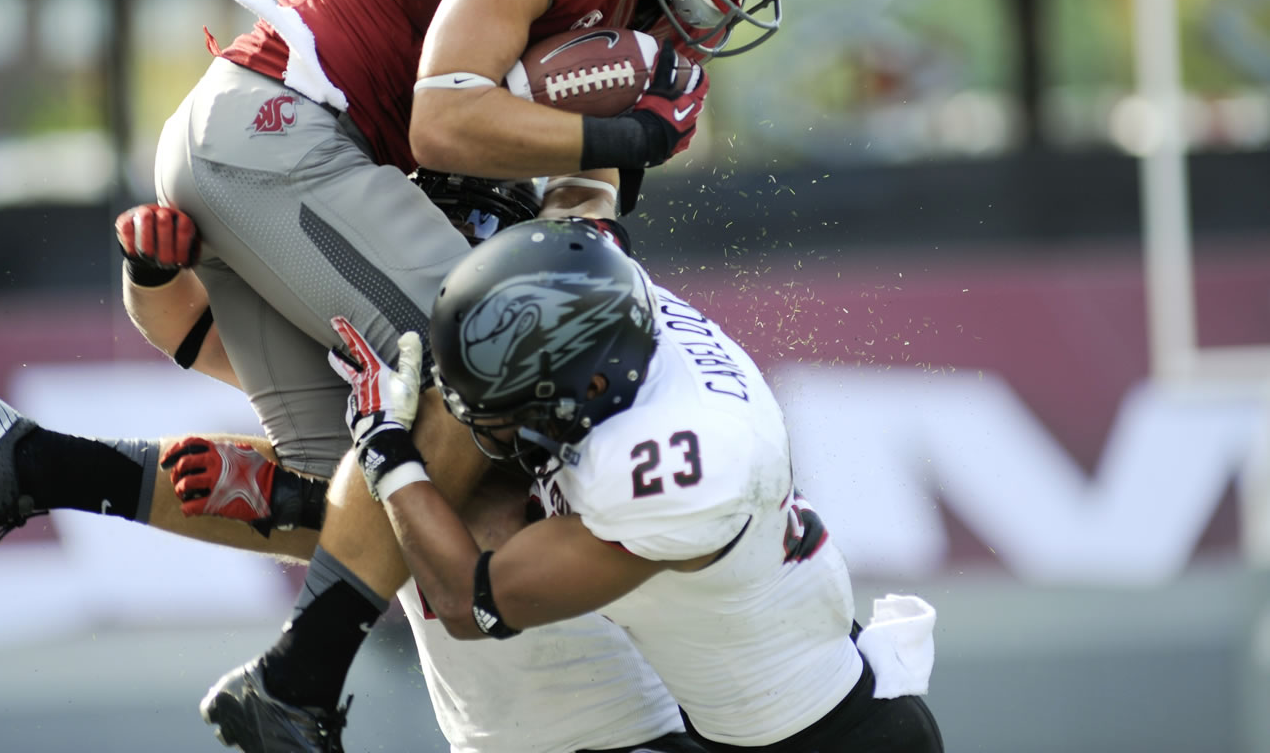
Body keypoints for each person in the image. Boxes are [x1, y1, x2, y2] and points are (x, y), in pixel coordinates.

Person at [0, 0, 849, 751]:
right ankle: (294, 684)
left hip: (288, 159)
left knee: (356, 504)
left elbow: (581, 185)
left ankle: (30, 462)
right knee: (500, 379)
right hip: (280, 133)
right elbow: (444, 115)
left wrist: (599, 202)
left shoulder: (646, 20)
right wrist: (618, 132)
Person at [0, 178, 708, 753]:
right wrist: (150, 268)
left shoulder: (585, 394)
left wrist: (290, 493)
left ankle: (40, 465)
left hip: (612, 723)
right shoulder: (427, 353)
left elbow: (468, 539)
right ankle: (38, 464)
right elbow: (194, 338)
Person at [329, 218, 944, 752]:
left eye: (513, 407)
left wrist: (386, 450)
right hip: (774, 710)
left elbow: (469, 603)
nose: (493, 427)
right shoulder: (615, 312)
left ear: (591, 389)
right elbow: (582, 227)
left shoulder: (674, 468)